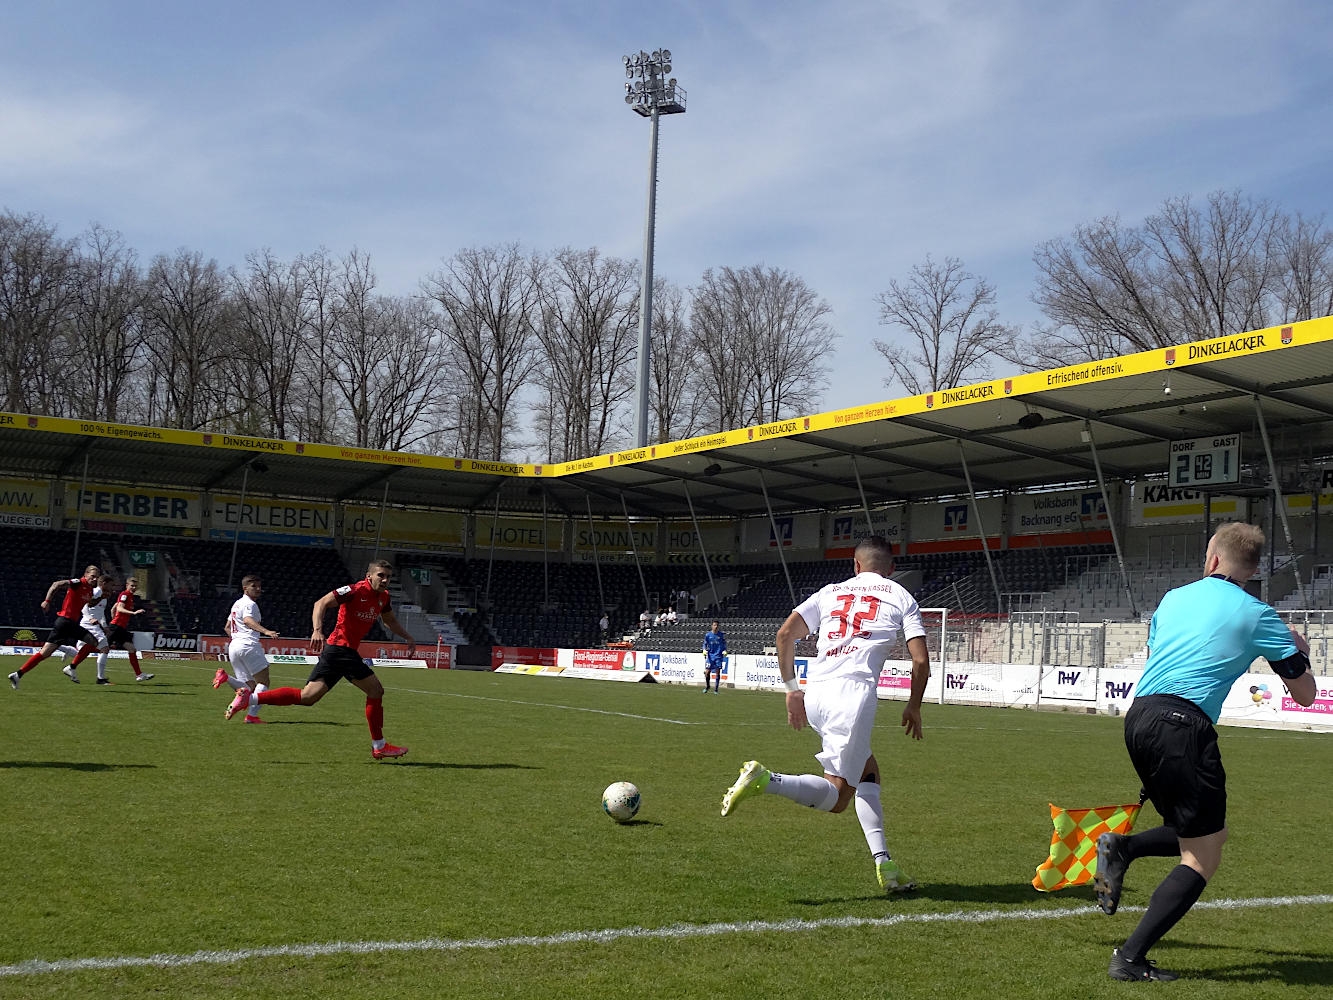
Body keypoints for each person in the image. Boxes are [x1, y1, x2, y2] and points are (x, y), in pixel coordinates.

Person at [1093, 522, 1316, 982]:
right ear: (1252, 570)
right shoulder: (1259, 614)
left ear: (1213, 559)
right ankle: (1130, 959)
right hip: (1184, 725)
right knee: (1203, 854)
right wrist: (1298, 648)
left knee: (1204, 831)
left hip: (1141, 717)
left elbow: (1159, 656)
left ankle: (1123, 847)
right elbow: (1306, 694)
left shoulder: (1174, 598)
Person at [720, 535, 931, 895]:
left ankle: (885, 864)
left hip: (816, 692)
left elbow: (785, 634)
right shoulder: (901, 596)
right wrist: (913, 705)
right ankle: (766, 780)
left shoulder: (831, 591)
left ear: (856, 565)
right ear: (892, 569)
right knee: (837, 798)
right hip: (852, 696)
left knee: (868, 772)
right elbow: (921, 661)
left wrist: (792, 691)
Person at [225, 559, 416, 759]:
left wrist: (408, 637)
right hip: (341, 649)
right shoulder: (353, 590)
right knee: (376, 690)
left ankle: (249, 698)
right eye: (380, 575)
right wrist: (317, 630)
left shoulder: (384, 597)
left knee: (308, 697)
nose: (385, 580)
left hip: (337, 652)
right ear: (369, 576)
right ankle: (379, 745)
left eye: (388, 577)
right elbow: (321, 603)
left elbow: (389, 620)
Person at [9, 564, 104, 688]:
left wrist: (101, 598)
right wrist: (47, 601)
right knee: (93, 642)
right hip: (65, 621)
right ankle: (71, 666)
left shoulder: (90, 590)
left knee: (46, 653)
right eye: (92, 576)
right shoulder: (77, 583)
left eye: (97, 577)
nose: (95, 579)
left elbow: (88, 604)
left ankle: (17, 675)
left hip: (70, 623)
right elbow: (56, 584)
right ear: (85, 575)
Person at [213, 574, 279, 722]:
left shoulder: (236, 604)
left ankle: (226, 677)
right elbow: (248, 620)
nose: (258, 589)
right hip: (248, 645)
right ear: (245, 588)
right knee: (263, 682)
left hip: (234, 646)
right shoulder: (250, 604)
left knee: (248, 688)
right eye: (254, 586)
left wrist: (238, 639)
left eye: (259, 586)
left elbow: (227, 627)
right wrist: (266, 631)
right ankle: (251, 716)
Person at [104, 576, 154, 683]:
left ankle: (139, 675)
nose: (134, 588)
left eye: (135, 586)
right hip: (116, 628)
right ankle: (74, 655)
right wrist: (133, 613)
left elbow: (114, 608)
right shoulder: (125, 595)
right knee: (100, 648)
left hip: (119, 628)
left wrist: (114, 619)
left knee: (132, 649)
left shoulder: (129, 596)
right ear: (127, 585)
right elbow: (119, 608)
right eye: (132, 585)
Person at [702, 620, 727, 693]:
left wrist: (725, 650)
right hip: (710, 656)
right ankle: (707, 686)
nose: (715, 627)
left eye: (717, 625)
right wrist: (704, 650)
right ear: (712, 626)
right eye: (714, 625)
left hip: (718, 656)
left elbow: (724, 644)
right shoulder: (708, 635)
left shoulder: (721, 635)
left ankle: (716, 689)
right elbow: (704, 643)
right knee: (707, 672)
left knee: (717, 673)